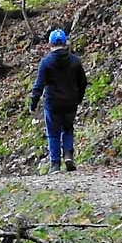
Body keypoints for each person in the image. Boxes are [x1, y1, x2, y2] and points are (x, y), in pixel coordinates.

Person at [28, 29, 87, 173]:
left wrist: (33, 103)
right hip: (70, 102)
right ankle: (68, 155)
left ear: (50, 44)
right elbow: (83, 82)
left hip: (52, 103)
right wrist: (78, 98)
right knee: (68, 129)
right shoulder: (75, 61)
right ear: (65, 43)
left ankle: (55, 164)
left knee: (53, 132)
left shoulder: (46, 62)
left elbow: (39, 85)